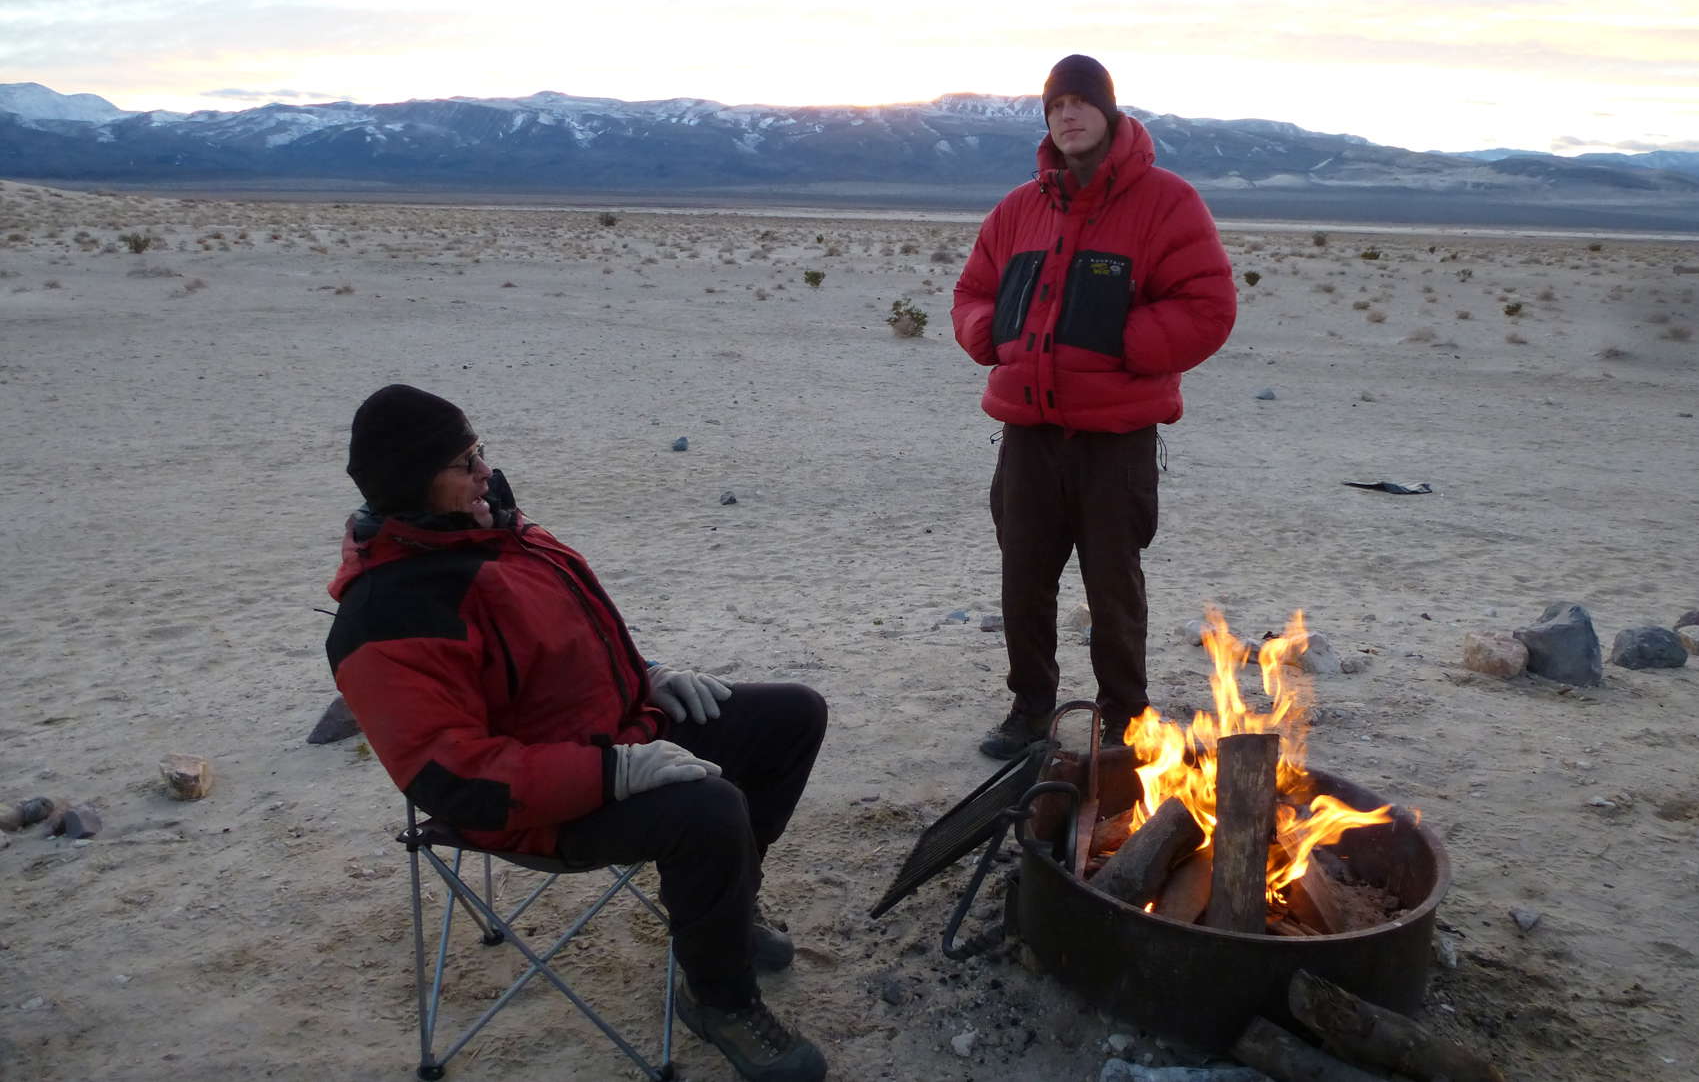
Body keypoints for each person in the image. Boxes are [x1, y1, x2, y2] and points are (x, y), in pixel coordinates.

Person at [325, 384, 829, 1082]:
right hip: (534, 807)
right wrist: (610, 772)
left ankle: (726, 914)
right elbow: (453, 778)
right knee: (709, 809)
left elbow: (574, 642)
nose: (485, 472)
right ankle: (719, 998)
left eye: (480, 450)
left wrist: (647, 675)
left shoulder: (498, 529)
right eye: (464, 463)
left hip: (617, 733)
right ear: (412, 482)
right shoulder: (387, 613)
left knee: (792, 716)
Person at [952, 55, 1237, 759]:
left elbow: (1208, 305)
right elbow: (972, 291)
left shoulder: (1165, 202)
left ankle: (1125, 715)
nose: (1067, 115)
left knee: (1113, 583)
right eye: (1055, 106)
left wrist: (1121, 343)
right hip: (1029, 433)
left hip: (1116, 437)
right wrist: (992, 337)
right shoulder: (1018, 209)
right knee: (1023, 577)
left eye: (1080, 101)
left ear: (1107, 111)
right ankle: (1031, 709)